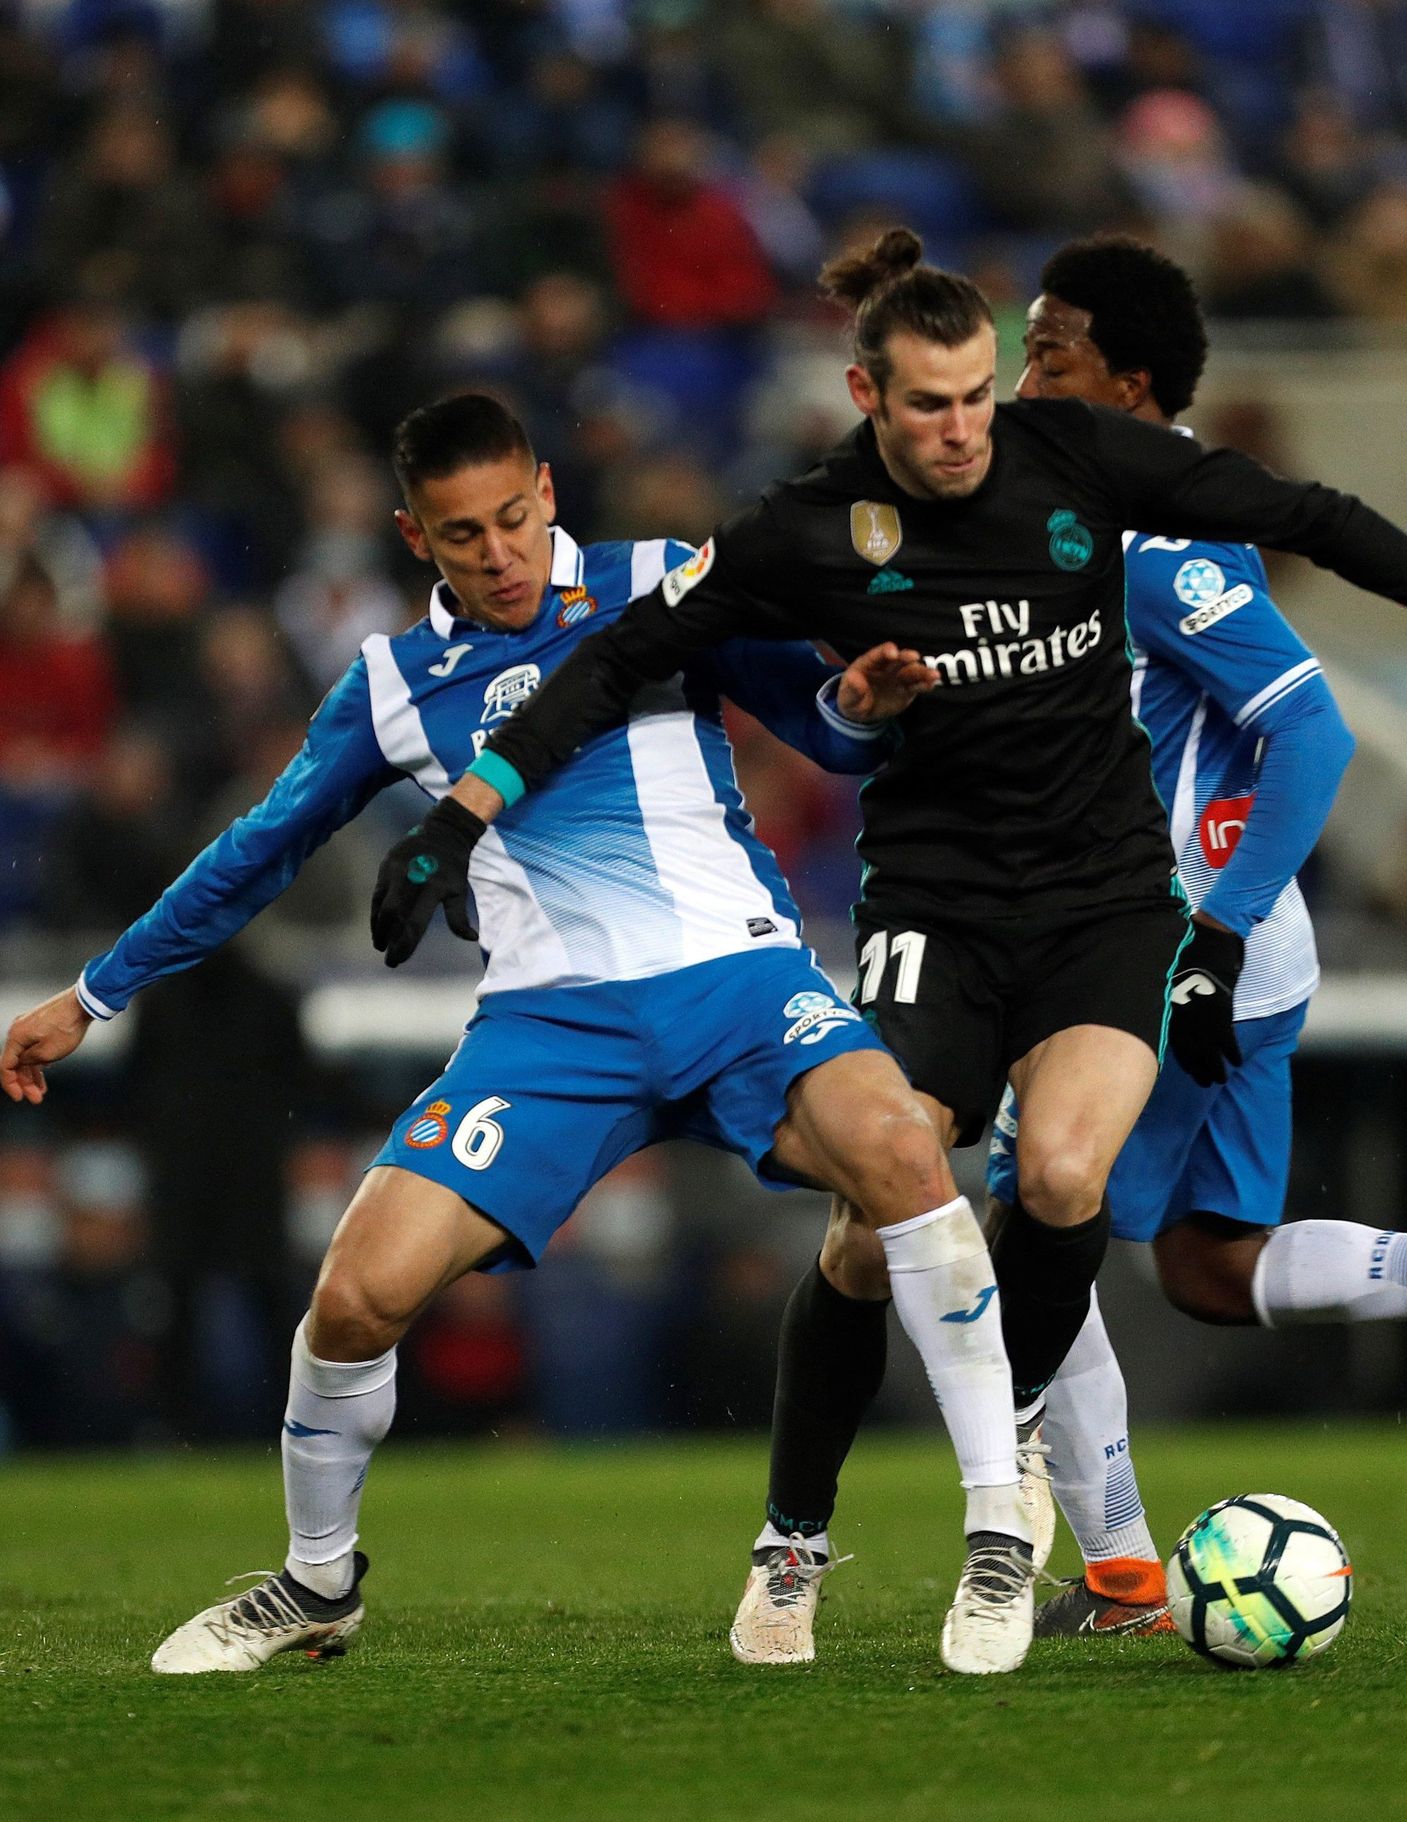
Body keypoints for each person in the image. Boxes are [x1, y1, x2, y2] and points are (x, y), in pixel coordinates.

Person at [365, 232, 1407, 1669]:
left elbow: (1311, 512)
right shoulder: (807, 530)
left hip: (1113, 907)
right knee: (895, 1209)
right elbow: (616, 659)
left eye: (981, 396)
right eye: (929, 405)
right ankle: (794, 1543)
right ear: (866, 396)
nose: (961, 432)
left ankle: (1024, 1530)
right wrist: (463, 813)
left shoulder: (1081, 466)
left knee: (1064, 1179)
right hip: (934, 908)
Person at [0, 393, 1041, 1681]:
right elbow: (254, 854)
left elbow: (819, 724)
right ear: (412, 537)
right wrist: (90, 998)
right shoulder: (392, 688)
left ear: (548, 491)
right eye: (461, 535)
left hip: (737, 986)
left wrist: (861, 702)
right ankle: (319, 1584)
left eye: (511, 519)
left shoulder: (663, 584)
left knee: (904, 1154)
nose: (497, 554)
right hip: (551, 1032)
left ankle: (998, 1526)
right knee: (353, 1299)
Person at [980, 237, 1407, 1637]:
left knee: (1033, 1218)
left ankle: (1127, 1571)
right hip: (1242, 953)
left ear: (1130, 387)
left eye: (1052, 352)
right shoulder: (1125, 509)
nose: (1025, 378)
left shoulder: (1143, 541)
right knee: (1208, 1268)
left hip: (1171, 946)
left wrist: (1214, 928)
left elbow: (1307, 725)